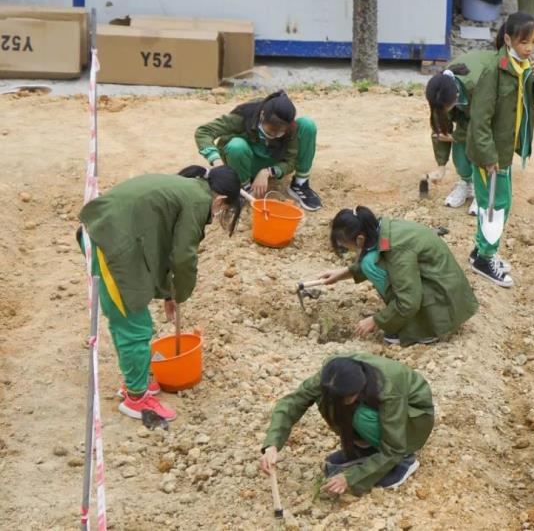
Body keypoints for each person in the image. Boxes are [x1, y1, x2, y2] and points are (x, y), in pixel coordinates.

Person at [77, 166, 241, 421]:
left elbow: (163, 244)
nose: (219, 212)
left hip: (111, 234)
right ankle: (136, 398)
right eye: (223, 208)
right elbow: (183, 257)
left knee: (129, 321)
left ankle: (135, 380)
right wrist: (180, 294)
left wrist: (168, 294)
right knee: (135, 325)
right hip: (108, 244)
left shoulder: (186, 187)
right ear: (219, 199)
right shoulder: (198, 200)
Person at [259, 353, 434, 495]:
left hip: (413, 418)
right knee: (326, 400)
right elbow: (293, 402)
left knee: (362, 418)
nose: (346, 401)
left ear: (361, 384)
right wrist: (272, 445)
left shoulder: (389, 387)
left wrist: (350, 479)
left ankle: (405, 460)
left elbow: (394, 447)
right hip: (375, 405)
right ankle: (371, 447)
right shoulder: (331, 375)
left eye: (350, 396)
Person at [466, 12, 534, 288]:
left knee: (496, 202)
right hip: (490, 155)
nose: (529, 48)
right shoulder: (494, 71)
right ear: (508, 39)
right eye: (524, 42)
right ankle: (485, 258)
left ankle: (480, 250)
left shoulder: (524, 66)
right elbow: (479, 120)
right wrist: (489, 157)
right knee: (495, 205)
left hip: (504, 150)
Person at [319, 206, 478, 346]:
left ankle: (425, 329)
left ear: (360, 239)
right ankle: (409, 319)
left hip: (443, 301)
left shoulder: (398, 249)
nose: (347, 249)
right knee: (369, 262)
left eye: (346, 246)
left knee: (369, 264)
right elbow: (381, 255)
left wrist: (376, 320)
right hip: (442, 286)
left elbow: (408, 301)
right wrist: (343, 274)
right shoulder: (382, 230)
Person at [194, 90, 322, 211]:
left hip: (270, 162)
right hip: (241, 161)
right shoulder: (244, 117)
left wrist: (269, 172)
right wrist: (215, 159)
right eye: (272, 130)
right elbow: (204, 132)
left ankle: (300, 184)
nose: (275, 134)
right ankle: (243, 189)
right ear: (262, 116)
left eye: (280, 132)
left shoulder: (290, 128)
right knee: (236, 146)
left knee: (307, 124)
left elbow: (291, 160)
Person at [425, 50, 494, 215]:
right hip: (468, 110)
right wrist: (441, 166)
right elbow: (439, 127)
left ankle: (482, 190)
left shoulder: (476, 86)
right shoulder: (441, 89)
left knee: (478, 145)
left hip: (489, 114)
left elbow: (482, 126)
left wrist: (455, 137)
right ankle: (466, 183)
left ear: (455, 97)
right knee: (460, 148)